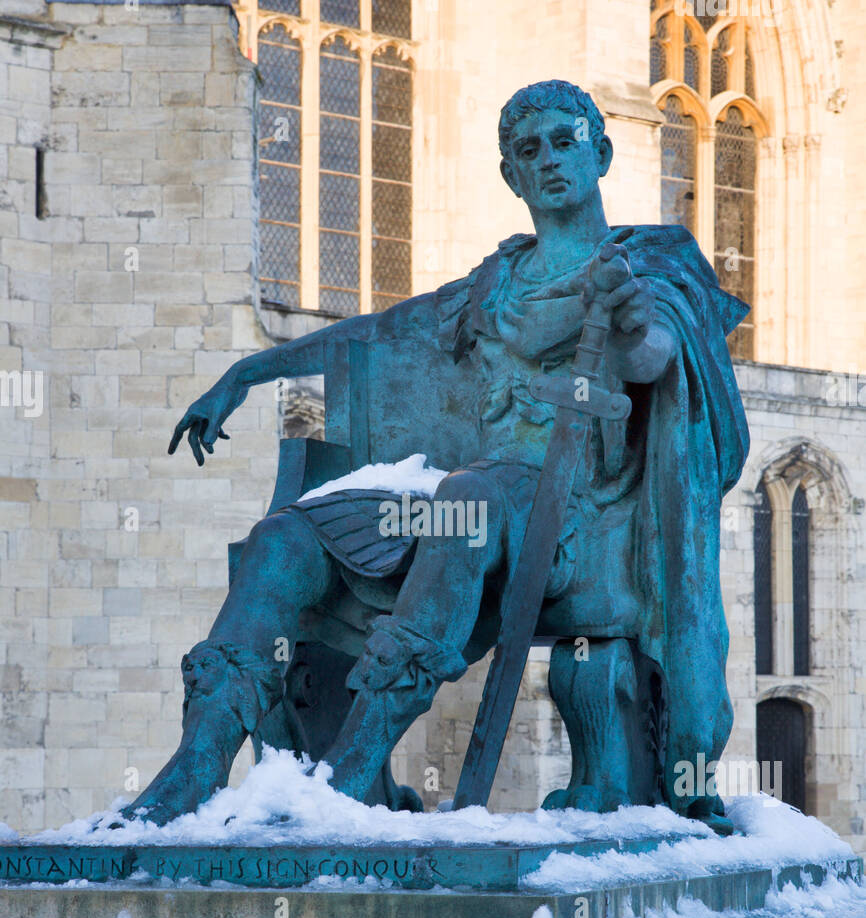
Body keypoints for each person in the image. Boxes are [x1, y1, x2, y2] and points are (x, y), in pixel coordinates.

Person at [114, 80, 748, 826]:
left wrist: (633, 322)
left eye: (564, 141)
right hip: (482, 498)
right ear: (511, 175)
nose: (547, 159)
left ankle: (348, 776)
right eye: (527, 149)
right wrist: (245, 373)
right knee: (283, 540)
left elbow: (657, 359)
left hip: (582, 515)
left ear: (601, 152)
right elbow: (377, 332)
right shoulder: (492, 285)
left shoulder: (647, 264)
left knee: (466, 502)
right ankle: (196, 766)